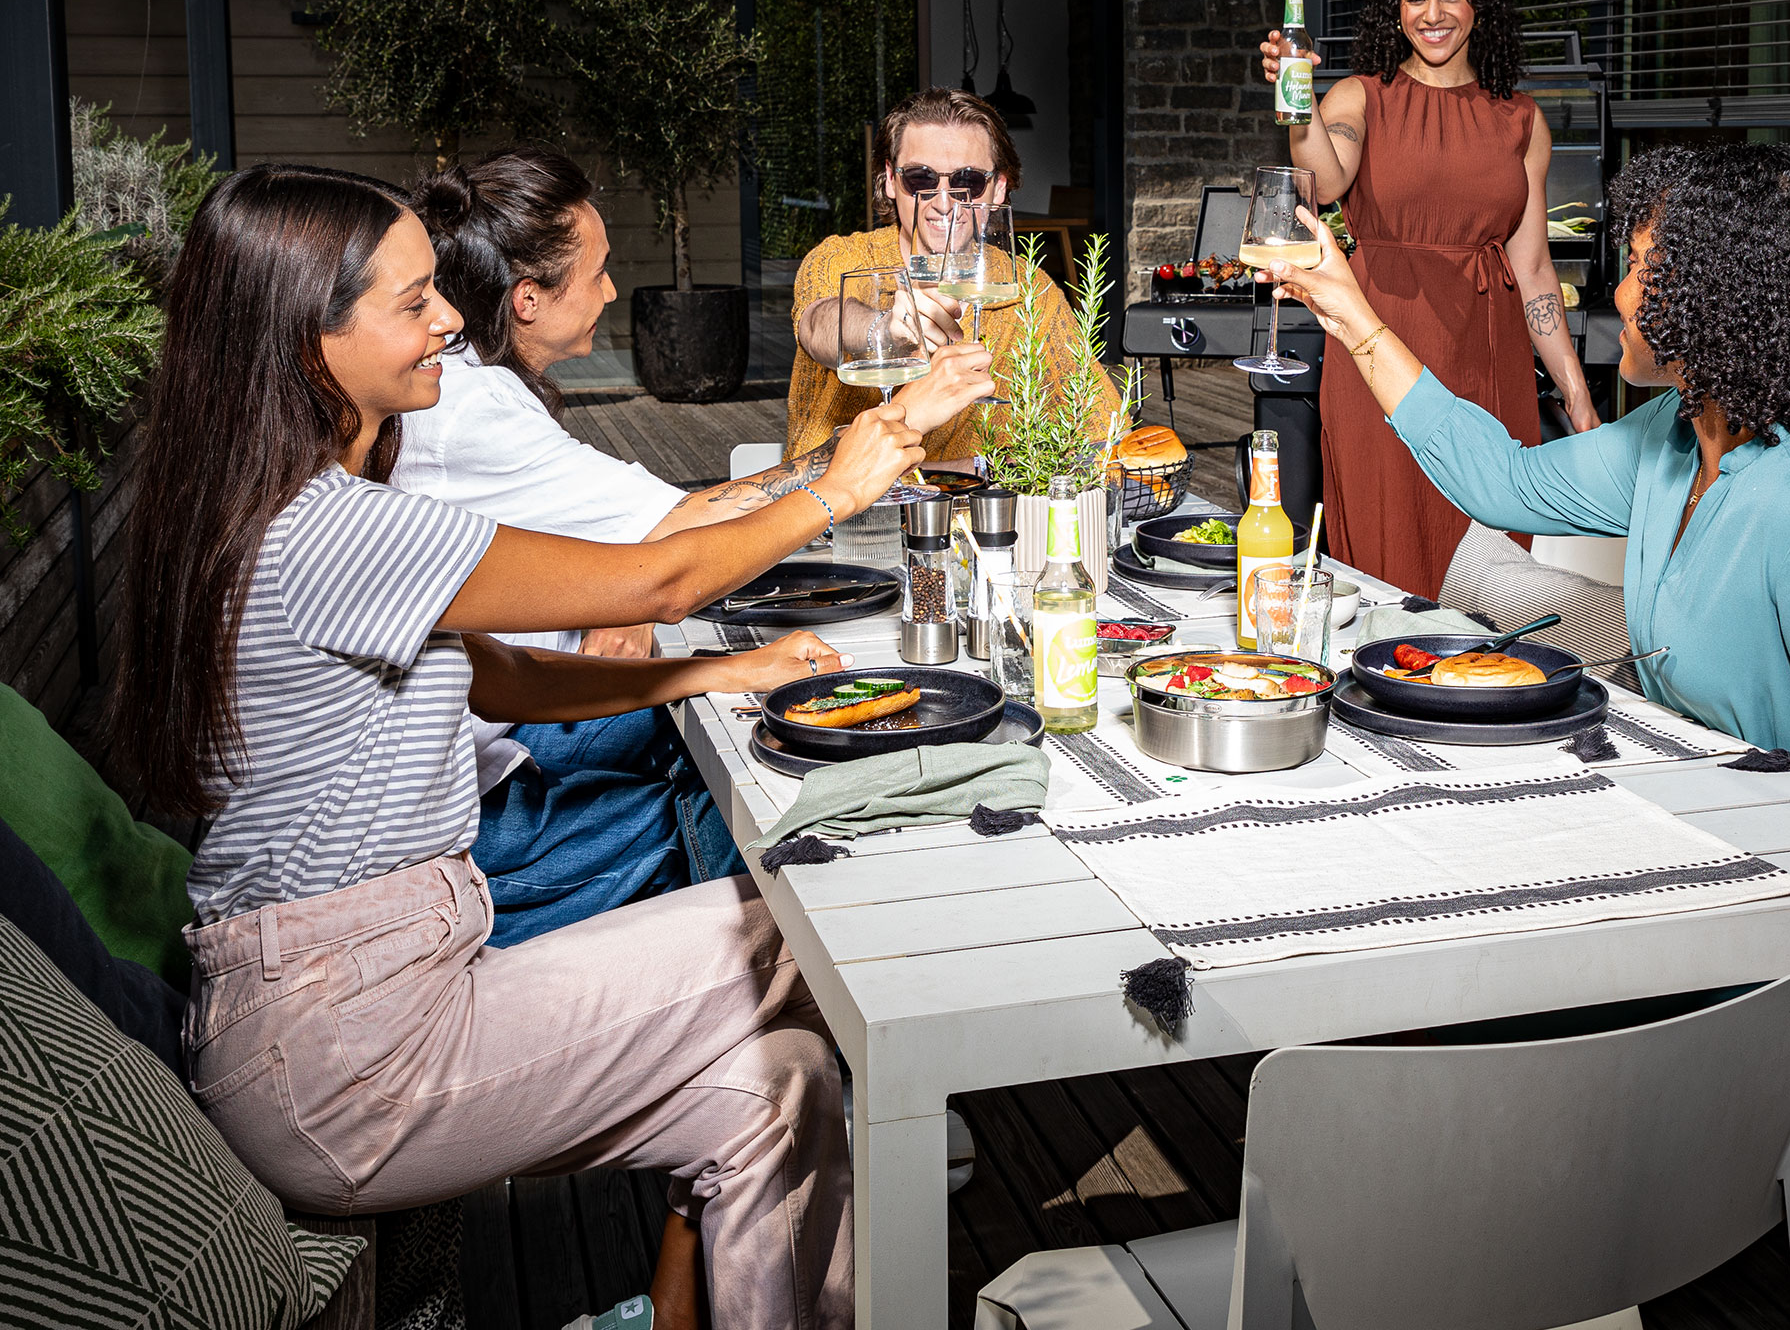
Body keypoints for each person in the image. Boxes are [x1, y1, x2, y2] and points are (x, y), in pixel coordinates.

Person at [111, 163, 922, 1330]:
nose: (453, 317)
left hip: (358, 998)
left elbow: (503, 677)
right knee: (819, 917)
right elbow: (657, 573)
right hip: (348, 1046)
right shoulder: (331, 530)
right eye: (412, 302)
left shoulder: (276, 504)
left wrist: (709, 671)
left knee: (776, 1088)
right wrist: (837, 483)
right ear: (306, 340)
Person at [1269, 139, 1790, 1154]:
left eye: (1645, 268)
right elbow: (1503, 480)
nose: (1620, 294)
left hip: (1788, 952)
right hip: (1678, 876)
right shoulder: (1673, 441)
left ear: (1733, 295)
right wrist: (1353, 313)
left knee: (1448, 998)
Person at [396, 148, 992, 946]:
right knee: (752, 754)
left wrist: (627, 600)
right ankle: (788, 948)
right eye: (599, 273)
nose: (614, 291)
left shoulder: (476, 384)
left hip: (501, 717)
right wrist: (872, 446)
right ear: (528, 299)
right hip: (484, 804)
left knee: (738, 710)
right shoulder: (470, 407)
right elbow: (678, 533)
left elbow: (633, 544)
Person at [1260, 0, 1598, 598]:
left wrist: (1578, 397)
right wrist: (1297, 107)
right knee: (1386, 548)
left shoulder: (1523, 121)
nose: (1432, 14)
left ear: (1480, 6)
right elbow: (1324, 181)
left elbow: (1533, 269)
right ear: (1397, 9)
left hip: (1487, 360)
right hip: (1379, 349)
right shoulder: (1361, 97)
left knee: (1493, 561)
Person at [786, 87, 1120, 462]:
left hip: (977, 501)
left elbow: (1104, 432)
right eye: (920, 178)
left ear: (998, 187)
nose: (944, 203)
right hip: (829, 497)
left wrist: (975, 472)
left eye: (969, 181)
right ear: (891, 180)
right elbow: (818, 324)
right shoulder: (841, 258)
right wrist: (884, 330)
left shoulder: (1030, 291)